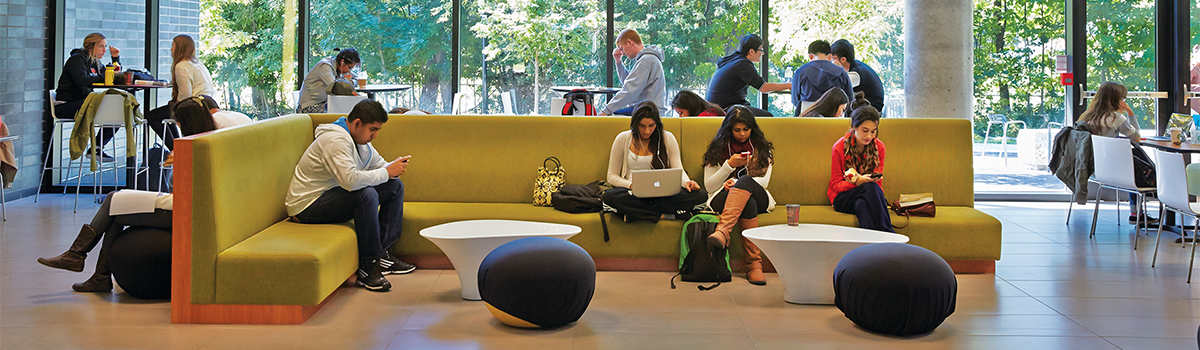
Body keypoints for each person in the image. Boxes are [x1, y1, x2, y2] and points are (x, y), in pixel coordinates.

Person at [36, 99, 252, 293]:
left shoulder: (198, 145)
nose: (178, 128)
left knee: (114, 201)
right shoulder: (211, 140)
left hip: (187, 207)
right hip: (190, 202)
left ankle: (85, 263)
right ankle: (91, 269)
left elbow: (181, 188)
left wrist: (177, 163)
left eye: (178, 124)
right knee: (116, 203)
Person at [285, 99, 413, 292]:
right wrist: (387, 171)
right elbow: (350, 181)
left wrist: (391, 167)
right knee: (366, 194)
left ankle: (382, 255)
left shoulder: (359, 141)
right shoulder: (335, 140)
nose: (375, 136)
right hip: (307, 205)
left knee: (394, 186)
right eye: (373, 129)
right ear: (357, 123)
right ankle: (368, 267)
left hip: (332, 196)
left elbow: (379, 165)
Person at [700, 106, 775, 285]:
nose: (742, 134)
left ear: (752, 128)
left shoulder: (762, 149)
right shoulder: (717, 149)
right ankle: (755, 266)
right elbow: (709, 186)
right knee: (747, 201)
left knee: (745, 184)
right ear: (729, 130)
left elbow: (764, 182)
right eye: (737, 130)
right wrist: (728, 165)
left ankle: (723, 232)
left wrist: (736, 183)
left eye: (746, 129)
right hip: (723, 198)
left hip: (759, 196)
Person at [601, 101, 707, 222]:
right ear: (635, 124)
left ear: (657, 123)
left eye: (651, 125)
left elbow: (678, 170)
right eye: (642, 126)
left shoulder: (667, 138)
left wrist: (688, 183)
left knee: (701, 196)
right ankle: (666, 215)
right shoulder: (623, 138)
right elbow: (611, 176)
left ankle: (637, 214)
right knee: (609, 197)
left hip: (664, 194)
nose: (647, 131)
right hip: (633, 194)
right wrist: (631, 185)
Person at [1077, 82, 1157, 224]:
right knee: (1135, 166)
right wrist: (1131, 113)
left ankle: (1136, 212)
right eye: (1122, 99)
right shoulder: (1116, 118)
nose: (1123, 102)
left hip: (1094, 167)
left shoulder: (1086, 117)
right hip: (1114, 171)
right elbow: (1136, 137)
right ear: (1115, 100)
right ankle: (1136, 212)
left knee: (1133, 161)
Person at [56, 33, 122, 161]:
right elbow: (82, 80)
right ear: (91, 47)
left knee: (118, 111)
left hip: (83, 103)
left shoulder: (95, 62)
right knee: (113, 109)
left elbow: (110, 75)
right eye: (101, 46)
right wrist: (106, 77)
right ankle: (95, 148)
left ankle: (96, 148)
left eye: (105, 46)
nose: (104, 50)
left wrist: (115, 59)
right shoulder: (77, 60)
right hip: (66, 105)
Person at [828, 106, 894, 232]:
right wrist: (858, 182)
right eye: (865, 130)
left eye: (873, 131)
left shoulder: (879, 147)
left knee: (863, 204)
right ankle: (888, 233)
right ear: (854, 127)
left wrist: (865, 182)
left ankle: (870, 246)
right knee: (870, 188)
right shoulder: (839, 147)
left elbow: (878, 183)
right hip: (843, 197)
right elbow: (835, 185)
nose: (869, 136)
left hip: (869, 196)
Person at [146, 34, 217, 150]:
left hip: (194, 106)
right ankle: (177, 146)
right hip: (205, 104)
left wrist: (174, 104)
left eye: (173, 45)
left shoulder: (181, 66)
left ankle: (176, 149)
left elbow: (185, 96)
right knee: (168, 114)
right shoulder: (198, 64)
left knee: (151, 116)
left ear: (179, 48)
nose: (170, 49)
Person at [705, 34, 790, 116]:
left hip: (715, 108)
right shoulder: (743, 64)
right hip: (726, 109)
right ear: (752, 51)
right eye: (761, 49)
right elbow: (764, 88)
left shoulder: (734, 59)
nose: (763, 53)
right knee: (767, 117)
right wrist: (789, 85)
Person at [602, 29, 667, 116]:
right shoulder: (648, 59)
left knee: (611, 117)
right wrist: (618, 62)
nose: (623, 53)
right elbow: (630, 83)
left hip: (649, 112)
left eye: (622, 48)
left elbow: (630, 90)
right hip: (648, 109)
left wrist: (605, 111)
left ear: (630, 42)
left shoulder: (646, 60)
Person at [792, 40, 854, 117]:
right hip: (836, 122)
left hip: (807, 121)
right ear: (830, 56)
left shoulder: (800, 72)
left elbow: (795, 101)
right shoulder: (842, 73)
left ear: (810, 56)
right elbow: (850, 101)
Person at [297, 48, 362, 113]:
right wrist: (357, 95)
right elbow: (336, 87)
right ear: (342, 62)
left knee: (347, 111)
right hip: (309, 107)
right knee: (343, 114)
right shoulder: (325, 66)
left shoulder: (337, 66)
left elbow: (357, 78)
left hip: (323, 103)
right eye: (350, 67)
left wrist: (351, 82)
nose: (349, 71)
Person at [830, 39, 885, 112]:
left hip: (870, 113)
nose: (830, 61)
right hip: (863, 110)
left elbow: (836, 86)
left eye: (832, 58)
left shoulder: (857, 73)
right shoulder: (856, 66)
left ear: (843, 59)